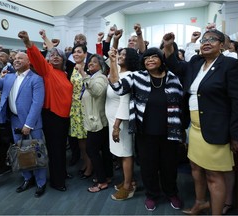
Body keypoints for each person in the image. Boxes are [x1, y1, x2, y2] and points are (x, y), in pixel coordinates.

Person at [163, 29, 238, 215]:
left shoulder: (230, 65)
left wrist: (236, 134)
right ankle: (200, 203)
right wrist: (167, 46)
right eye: (204, 39)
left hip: (216, 129)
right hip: (195, 129)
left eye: (212, 39)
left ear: (222, 45)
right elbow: (175, 66)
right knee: (196, 168)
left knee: (214, 176)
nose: (206, 42)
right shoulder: (196, 62)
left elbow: (237, 101)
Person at [109, 47, 184, 211]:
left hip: (169, 132)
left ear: (161, 60)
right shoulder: (136, 77)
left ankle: (171, 193)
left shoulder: (172, 78)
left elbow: (181, 103)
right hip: (145, 132)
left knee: (169, 166)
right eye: (146, 58)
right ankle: (152, 195)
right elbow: (117, 87)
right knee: (148, 166)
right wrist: (113, 62)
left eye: (154, 57)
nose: (149, 60)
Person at [18, 30, 73, 192]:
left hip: (64, 117)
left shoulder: (64, 73)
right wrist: (28, 42)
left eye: (59, 55)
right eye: (52, 55)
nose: (55, 57)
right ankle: (57, 181)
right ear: (48, 59)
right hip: (53, 117)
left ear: (63, 59)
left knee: (61, 148)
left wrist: (48, 41)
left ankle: (61, 173)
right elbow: (36, 56)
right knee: (56, 150)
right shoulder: (47, 70)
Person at [0, 51, 47, 198]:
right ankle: (27, 178)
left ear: (28, 61)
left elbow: (37, 104)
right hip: (14, 121)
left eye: (20, 58)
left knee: (37, 152)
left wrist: (29, 124)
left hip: (31, 123)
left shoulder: (36, 79)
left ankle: (41, 182)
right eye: (15, 58)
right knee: (21, 152)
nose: (16, 60)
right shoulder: (9, 77)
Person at [106, 47, 139, 200]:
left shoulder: (130, 75)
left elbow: (125, 102)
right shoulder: (118, 73)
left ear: (131, 58)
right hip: (113, 119)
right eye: (121, 53)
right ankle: (129, 180)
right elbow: (112, 61)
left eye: (125, 54)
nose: (121, 56)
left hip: (121, 121)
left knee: (125, 152)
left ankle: (128, 187)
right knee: (119, 151)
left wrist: (116, 126)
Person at [76, 54, 113, 193]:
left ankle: (102, 181)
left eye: (94, 62)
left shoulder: (101, 78)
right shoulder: (94, 77)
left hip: (96, 122)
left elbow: (96, 92)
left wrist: (83, 74)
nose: (90, 63)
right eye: (89, 62)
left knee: (91, 150)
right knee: (104, 150)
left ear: (101, 66)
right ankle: (107, 176)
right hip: (97, 121)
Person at [66, 44, 93, 179]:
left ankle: (91, 165)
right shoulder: (72, 68)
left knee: (88, 140)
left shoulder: (89, 67)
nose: (76, 54)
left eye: (79, 52)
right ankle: (86, 162)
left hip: (86, 107)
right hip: (75, 108)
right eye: (74, 52)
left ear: (85, 54)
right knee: (80, 140)